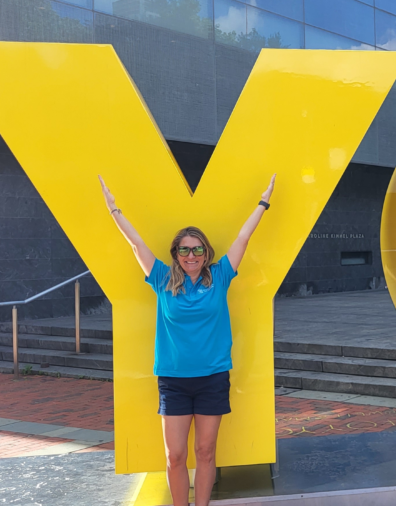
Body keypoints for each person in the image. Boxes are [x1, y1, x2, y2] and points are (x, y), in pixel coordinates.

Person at [99, 174, 275, 506]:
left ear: (206, 252)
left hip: (212, 378)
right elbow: (137, 244)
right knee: (175, 455)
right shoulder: (162, 278)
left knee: (206, 452)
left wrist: (263, 202)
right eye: (184, 249)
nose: (191, 255)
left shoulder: (220, 276)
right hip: (174, 381)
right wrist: (114, 210)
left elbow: (243, 237)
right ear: (176, 253)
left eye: (197, 249)